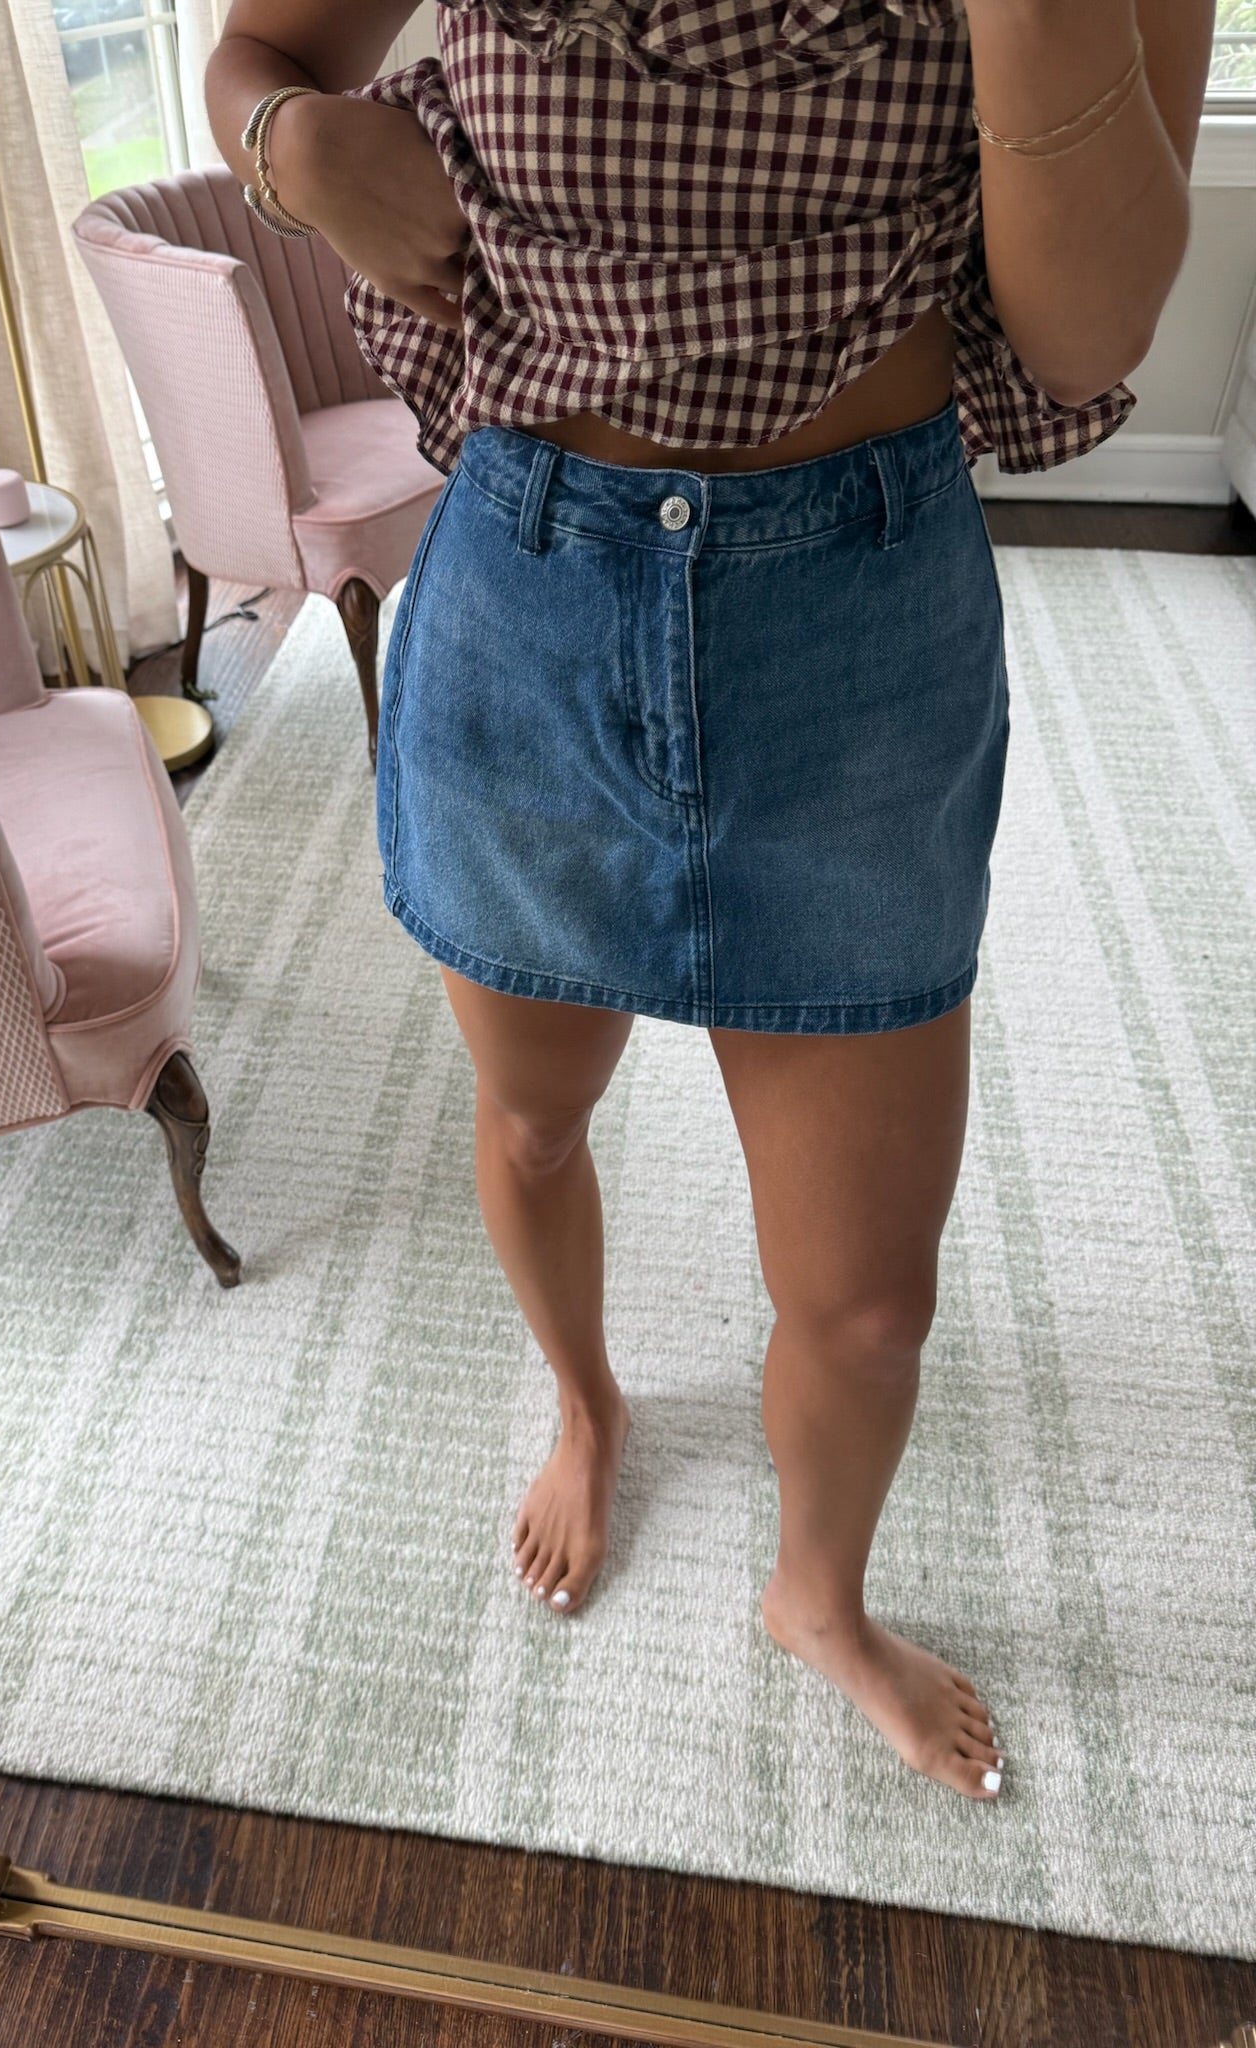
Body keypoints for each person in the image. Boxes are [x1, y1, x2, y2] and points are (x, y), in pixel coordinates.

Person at [206, 0, 1210, 1802]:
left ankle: (819, 1597)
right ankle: (588, 1403)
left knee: (868, 1304)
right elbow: (258, 55)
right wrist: (293, 145)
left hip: (861, 624)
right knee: (533, 1122)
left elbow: (1085, 336)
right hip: (534, 593)